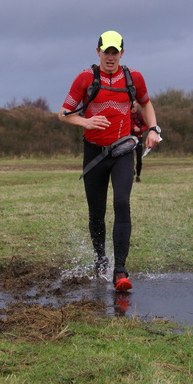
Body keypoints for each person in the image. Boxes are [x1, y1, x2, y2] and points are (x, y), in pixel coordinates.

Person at [58, 30, 162, 291]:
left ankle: (120, 271)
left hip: (122, 152)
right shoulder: (86, 78)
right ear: (98, 52)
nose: (110, 57)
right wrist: (86, 121)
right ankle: (100, 259)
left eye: (115, 52)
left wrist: (153, 129)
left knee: (121, 202)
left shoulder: (133, 78)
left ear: (122, 54)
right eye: (106, 52)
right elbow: (64, 113)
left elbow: (146, 104)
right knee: (97, 212)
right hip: (94, 154)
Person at [130, 101, 148, 182]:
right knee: (129, 157)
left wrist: (139, 129)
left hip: (138, 138)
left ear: (137, 105)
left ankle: (138, 175)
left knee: (139, 158)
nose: (132, 108)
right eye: (131, 106)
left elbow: (146, 126)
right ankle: (131, 170)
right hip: (129, 139)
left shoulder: (140, 114)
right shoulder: (126, 114)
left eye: (133, 106)